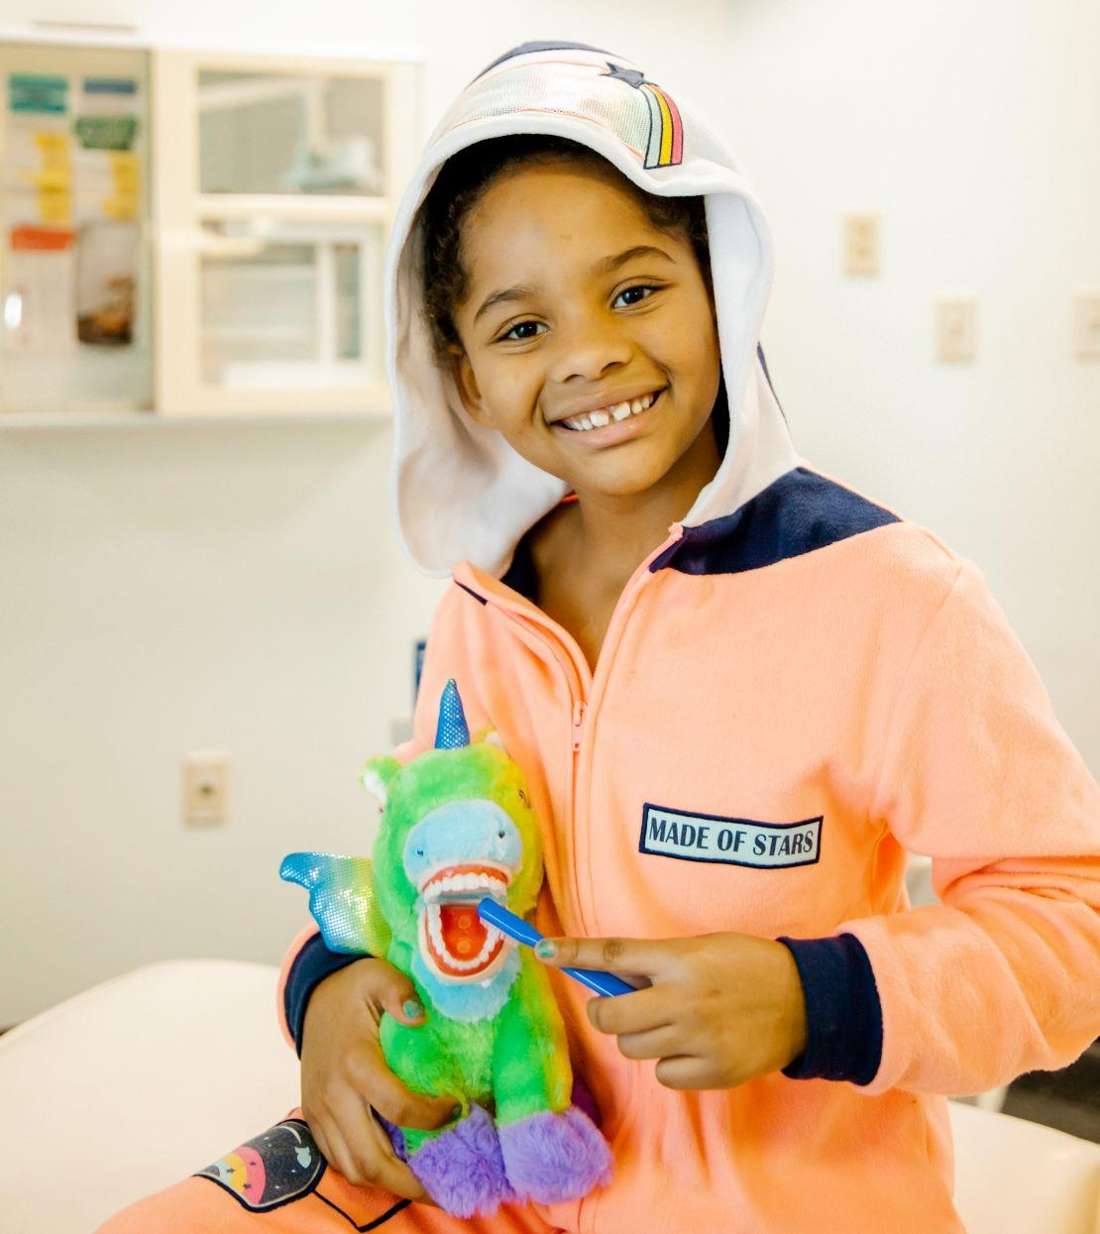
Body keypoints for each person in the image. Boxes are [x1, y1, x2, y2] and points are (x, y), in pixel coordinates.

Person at [99, 39, 1100, 1234]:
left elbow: (1066, 922)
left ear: (719, 287)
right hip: (489, 1171)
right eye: (520, 328)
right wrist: (326, 989)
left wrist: (809, 993)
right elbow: (430, 865)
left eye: (633, 290)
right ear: (463, 378)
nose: (589, 352)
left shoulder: (888, 596)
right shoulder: (484, 606)